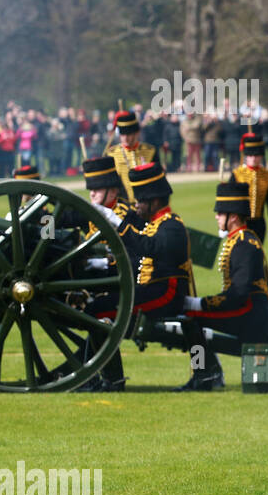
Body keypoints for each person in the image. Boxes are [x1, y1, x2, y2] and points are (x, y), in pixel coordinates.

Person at [83, 163, 196, 390]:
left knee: (98, 311)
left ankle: (112, 379)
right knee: (99, 309)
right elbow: (139, 227)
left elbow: (148, 246)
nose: (136, 204)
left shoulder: (172, 225)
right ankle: (97, 374)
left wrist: (117, 221)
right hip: (154, 291)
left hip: (166, 292)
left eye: (140, 201)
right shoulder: (155, 223)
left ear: (154, 202)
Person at [176, 181, 268, 391]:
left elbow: (238, 293)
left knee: (191, 320)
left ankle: (204, 375)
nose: (216, 217)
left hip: (251, 317)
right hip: (251, 314)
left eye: (220, 213)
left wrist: (200, 304)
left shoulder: (243, 245)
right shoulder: (239, 240)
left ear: (232, 217)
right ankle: (210, 372)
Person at [232, 133, 268, 243]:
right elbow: (231, 201)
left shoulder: (267, 176)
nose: (253, 158)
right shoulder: (237, 174)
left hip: (259, 223)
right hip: (240, 223)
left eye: (256, 155)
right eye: (250, 155)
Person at [103, 111, 156, 201]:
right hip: (123, 205)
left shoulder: (150, 151)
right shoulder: (111, 154)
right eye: (122, 134)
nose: (125, 138)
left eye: (128, 134)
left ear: (137, 133)